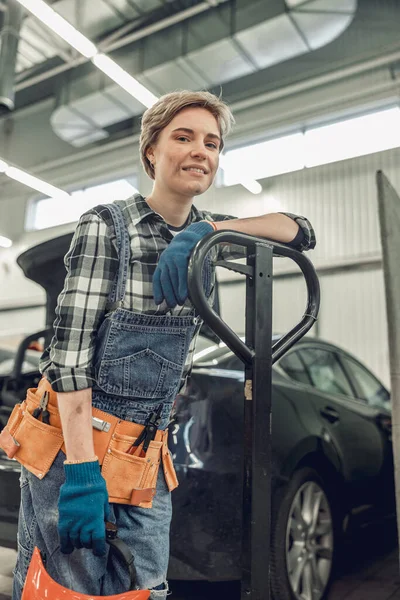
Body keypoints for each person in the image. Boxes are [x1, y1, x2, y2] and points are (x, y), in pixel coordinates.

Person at [11, 90, 316, 600]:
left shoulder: (209, 237)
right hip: (73, 450)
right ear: (151, 150)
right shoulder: (106, 227)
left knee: (146, 590)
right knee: (69, 593)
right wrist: (83, 474)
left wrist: (207, 230)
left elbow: (298, 232)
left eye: (212, 143)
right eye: (183, 137)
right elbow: (67, 362)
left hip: (144, 454)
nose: (201, 151)